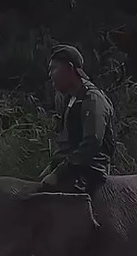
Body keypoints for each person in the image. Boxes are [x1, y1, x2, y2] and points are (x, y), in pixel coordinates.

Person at [39, 44, 116, 196]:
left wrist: (59, 173)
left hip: (89, 173)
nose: (50, 74)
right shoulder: (71, 98)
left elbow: (91, 143)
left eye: (54, 68)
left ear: (69, 68)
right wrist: (52, 167)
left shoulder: (92, 99)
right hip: (72, 169)